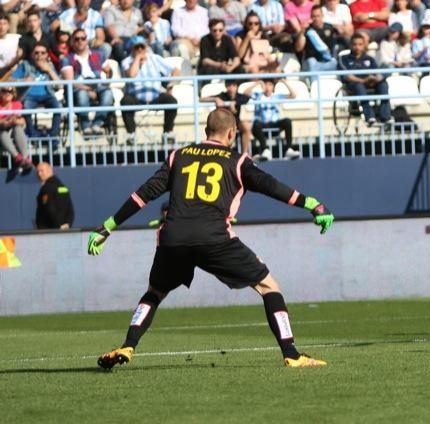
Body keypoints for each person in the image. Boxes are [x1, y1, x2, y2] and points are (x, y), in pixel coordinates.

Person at [89, 108, 332, 370]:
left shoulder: (178, 156)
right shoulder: (238, 161)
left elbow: (144, 194)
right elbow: (271, 186)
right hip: (214, 238)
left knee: (155, 293)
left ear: (205, 131)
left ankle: (128, 344)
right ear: (232, 133)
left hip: (173, 238)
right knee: (269, 286)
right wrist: (313, 204)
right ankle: (292, 354)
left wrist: (107, 226)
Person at [120, 36, 180, 145]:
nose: (140, 50)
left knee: (171, 101)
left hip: (155, 95)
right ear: (132, 49)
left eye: (142, 47)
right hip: (135, 97)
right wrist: (137, 59)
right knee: (125, 101)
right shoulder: (126, 61)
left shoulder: (155, 58)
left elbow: (175, 70)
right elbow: (131, 75)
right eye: (136, 47)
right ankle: (131, 134)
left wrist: (170, 86)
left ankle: (168, 132)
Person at [60, 28, 114, 135]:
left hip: (96, 84)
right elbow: (71, 82)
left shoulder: (98, 55)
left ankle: (97, 124)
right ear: (72, 42)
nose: (80, 41)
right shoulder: (67, 59)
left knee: (108, 93)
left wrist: (109, 72)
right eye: (77, 39)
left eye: (83, 38)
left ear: (86, 40)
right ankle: (85, 126)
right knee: (82, 94)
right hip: (79, 87)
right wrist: (89, 90)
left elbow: (108, 76)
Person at [338, 32, 392, 126]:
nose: (357, 47)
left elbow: (375, 73)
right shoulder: (344, 59)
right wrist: (363, 81)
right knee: (359, 87)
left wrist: (375, 79)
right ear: (350, 45)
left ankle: (385, 117)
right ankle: (370, 117)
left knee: (383, 84)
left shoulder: (369, 59)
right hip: (354, 84)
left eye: (360, 44)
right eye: (355, 44)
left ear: (364, 45)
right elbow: (347, 76)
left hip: (369, 82)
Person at [11, 42, 62, 141]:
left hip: (47, 95)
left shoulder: (50, 66)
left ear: (47, 55)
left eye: (43, 53)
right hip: (30, 96)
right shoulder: (25, 65)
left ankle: (52, 136)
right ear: (31, 54)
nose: (40, 56)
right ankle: (33, 135)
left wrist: (49, 71)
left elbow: (60, 85)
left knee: (58, 107)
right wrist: (23, 80)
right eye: (36, 53)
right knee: (26, 108)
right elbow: (10, 80)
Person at [246, 78, 301, 161]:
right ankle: (265, 149)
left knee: (287, 121)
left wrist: (284, 82)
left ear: (273, 87)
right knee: (256, 123)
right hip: (262, 125)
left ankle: (289, 149)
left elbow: (293, 95)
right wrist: (257, 83)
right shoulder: (258, 96)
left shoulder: (277, 96)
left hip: (275, 124)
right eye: (266, 84)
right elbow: (245, 93)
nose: (268, 87)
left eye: (270, 85)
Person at [200, 78, 253, 154]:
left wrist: (234, 109)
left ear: (237, 87)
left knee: (246, 127)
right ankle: (223, 153)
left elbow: (248, 96)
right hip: (222, 124)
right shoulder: (222, 96)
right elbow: (201, 99)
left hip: (235, 122)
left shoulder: (240, 97)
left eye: (233, 85)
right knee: (221, 129)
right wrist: (216, 99)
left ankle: (245, 154)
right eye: (229, 85)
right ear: (226, 86)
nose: (231, 88)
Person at [297, 5, 341, 73]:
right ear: (311, 17)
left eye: (318, 16)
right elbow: (299, 48)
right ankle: (314, 83)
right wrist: (301, 32)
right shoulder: (308, 30)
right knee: (311, 62)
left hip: (327, 60)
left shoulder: (330, 28)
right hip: (312, 62)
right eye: (314, 16)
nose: (316, 18)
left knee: (334, 62)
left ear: (322, 16)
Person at [198, 19, 242, 84]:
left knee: (240, 69)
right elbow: (205, 60)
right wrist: (219, 65)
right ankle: (204, 92)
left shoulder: (227, 39)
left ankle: (238, 91)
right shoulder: (204, 40)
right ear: (210, 30)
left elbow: (236, 58)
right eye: (215, 30)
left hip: (224, 68)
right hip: (210, 68)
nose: (217, 33)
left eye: (220, 30)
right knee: (209, 70)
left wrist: (231, 68)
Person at [0, 87, 32, 171]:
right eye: (4, 90)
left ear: (13, 93)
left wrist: (15, 121)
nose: (7, 93)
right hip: (2, 131)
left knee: (17, 127)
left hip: (13, 130)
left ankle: (24, 157)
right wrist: (5, 121)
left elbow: (22, 121)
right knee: (2, 133)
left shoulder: (17, 104)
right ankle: (17, 157)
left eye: (10, 91)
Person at [35, 161, 74, 230]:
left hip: (49, 231)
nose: (39, 174)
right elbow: (70, 209)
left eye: (42, 171)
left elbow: (49, 208)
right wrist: (67, 223)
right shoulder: (62, 187)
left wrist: (58, 226)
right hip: (65, 230)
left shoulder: (46, 188)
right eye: (37, 172)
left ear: (50, 170)